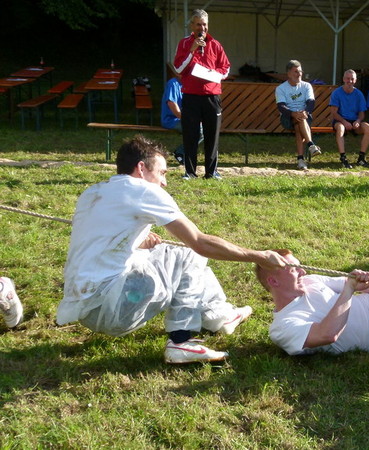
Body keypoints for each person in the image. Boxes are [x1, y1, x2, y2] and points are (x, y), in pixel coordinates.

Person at [56, 136, 286, 364]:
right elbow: (200, 242)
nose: (164, 182)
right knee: (189, 254)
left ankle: (219, 315)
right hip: (113, 309)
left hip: (83, 308)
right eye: (162, 173)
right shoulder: (142, 190)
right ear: (141, 168)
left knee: (170, 253)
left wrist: (136, 241)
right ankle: (181, 341)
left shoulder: (94, 192)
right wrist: (258, 256)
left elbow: (99, 241)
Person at [173, 9, 230, 180]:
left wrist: (215, 74)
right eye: (198, 24)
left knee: (212, 135)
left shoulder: (216, 45)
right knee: (190, 134)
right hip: (191, 96)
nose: (202, 28)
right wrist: (192, 50)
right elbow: (178, 68)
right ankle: (190, 172)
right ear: (192, 26)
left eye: (204, 24)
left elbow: (226, 68)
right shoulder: (184, 43)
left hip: (212, 96)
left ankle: (211, 172)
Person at [277, 60, 322, 171]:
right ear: (288, 74)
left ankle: (301, 160)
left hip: (304, 115)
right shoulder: (281, 88)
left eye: (300, 71)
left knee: (299, 125)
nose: (299, 74)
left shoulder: (306, 86)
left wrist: (305, 112)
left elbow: (311, 102)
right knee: (299, 120)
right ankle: (311, 145)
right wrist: (293, 113)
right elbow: (281, 106)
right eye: (296, 72)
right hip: (287, 117)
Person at [330, 69, 369, 168]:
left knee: (368, 128)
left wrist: (358, 121)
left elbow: (362, 113)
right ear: (343, 79)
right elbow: (334, 113)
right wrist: (344, 122)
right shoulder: (336, 93)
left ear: (355, 80)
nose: (350, 81)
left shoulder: (359, 94)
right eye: (347, 78)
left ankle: (361, 158)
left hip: (354, 121)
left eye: (352, 79)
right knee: (340, 128)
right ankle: (343, 158)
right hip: (340, 120)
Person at [160, 63, 201, 167]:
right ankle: (180, 152)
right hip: (171, 120)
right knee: (197, 129)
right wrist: (187, 119)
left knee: (203, 128)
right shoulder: (173, 83)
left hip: (184, 118)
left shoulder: (189, 85)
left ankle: (185, 153)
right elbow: (171, 103)